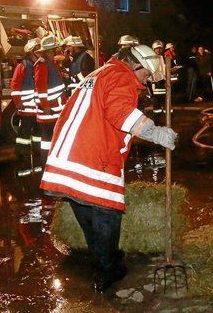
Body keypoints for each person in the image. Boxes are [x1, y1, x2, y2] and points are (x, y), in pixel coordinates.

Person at [40, 43, 177, 292]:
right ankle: (106, 274)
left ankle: (104, 257)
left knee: (88, 213)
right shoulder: (120, 76)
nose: (145, 82)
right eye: (145, 75)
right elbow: (120, 112)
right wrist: (155, 133)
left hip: (68, 158)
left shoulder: (99, 73)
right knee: (107, 215)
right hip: (91, 158)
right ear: (135, 65)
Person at [10, 38, 42, 176]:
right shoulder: (23, 66)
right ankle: (21, 153)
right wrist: (18, 101)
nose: (41, 54)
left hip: (38, 108)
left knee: (37, 133)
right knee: (24, 132)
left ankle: (36, 151)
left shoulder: (41, 66)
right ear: (31, 52)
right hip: (27, 107)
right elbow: (15, 85)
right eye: (38, 51)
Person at [33, 34, 67, 165]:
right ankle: (46, 162)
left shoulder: (50, 63)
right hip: (48, 111)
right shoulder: (42, 65)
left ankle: (51, 160)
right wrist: (45, 106)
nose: (56, 52)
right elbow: (40, 88)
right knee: (47, 139)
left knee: (52, 137)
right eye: (54, 50)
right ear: (49, 51)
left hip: (54, 109)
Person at [150, 40, 166, 115]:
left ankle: (164, 116)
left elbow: (162, 70)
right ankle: (157, 118)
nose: (158, 50)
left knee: (163, 99)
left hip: (162, 81)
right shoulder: (151, 58)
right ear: (153, 49)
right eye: (157, 49)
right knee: (156, 101)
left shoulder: (161, 57)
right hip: (155, 82)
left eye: (160, 48)